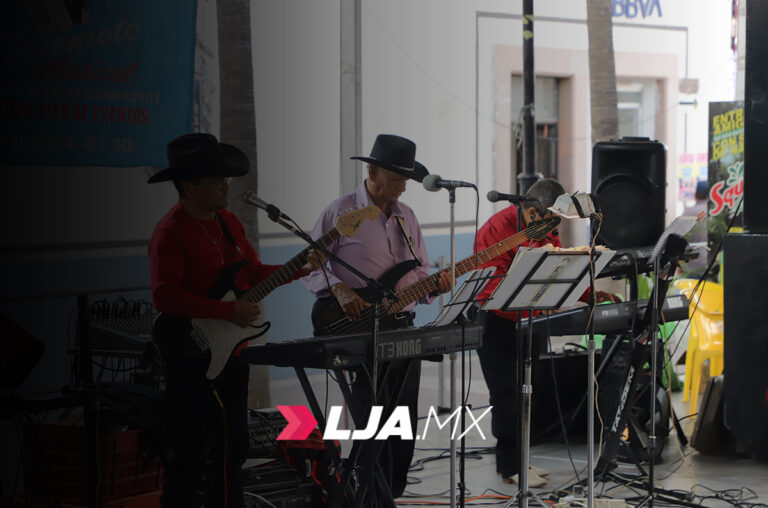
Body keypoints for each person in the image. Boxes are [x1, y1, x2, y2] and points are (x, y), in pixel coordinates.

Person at [148, 133, 321, 508]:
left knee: (233, 445)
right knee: (191, 449)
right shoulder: (170, 232)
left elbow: (252, 274)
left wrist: (299, 267)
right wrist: (229, 312)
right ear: (189, 185)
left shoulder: (229, 222)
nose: (226, 186)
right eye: (215, 180)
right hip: (190, 352)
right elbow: (164, 296)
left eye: (225, 178)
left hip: (232, 352)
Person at [302, 134, 451, 499]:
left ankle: (389, 493)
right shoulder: (340, 212)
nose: (404, 186)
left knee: (402, 423)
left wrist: (434, 285)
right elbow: (309, 265)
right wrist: (337, 287)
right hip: (353, 326)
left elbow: (419, 272)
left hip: (401, 328)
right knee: (372, 419)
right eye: (398, 177)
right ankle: (369, 493)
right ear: (372, 171)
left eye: (406, 179)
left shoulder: (407, 216)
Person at [473, 178, 615, 488]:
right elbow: (492, 281)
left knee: (528, 391)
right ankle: (510, 466)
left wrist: (589, 294)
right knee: (506, 395)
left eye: (556, 222)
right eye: (549, 220)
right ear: (532, 210)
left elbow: (560, 266)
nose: (553, 228)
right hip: (495, 320)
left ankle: (522, 460)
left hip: (529, 319)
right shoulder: (497, 229)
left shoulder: (545, 225)